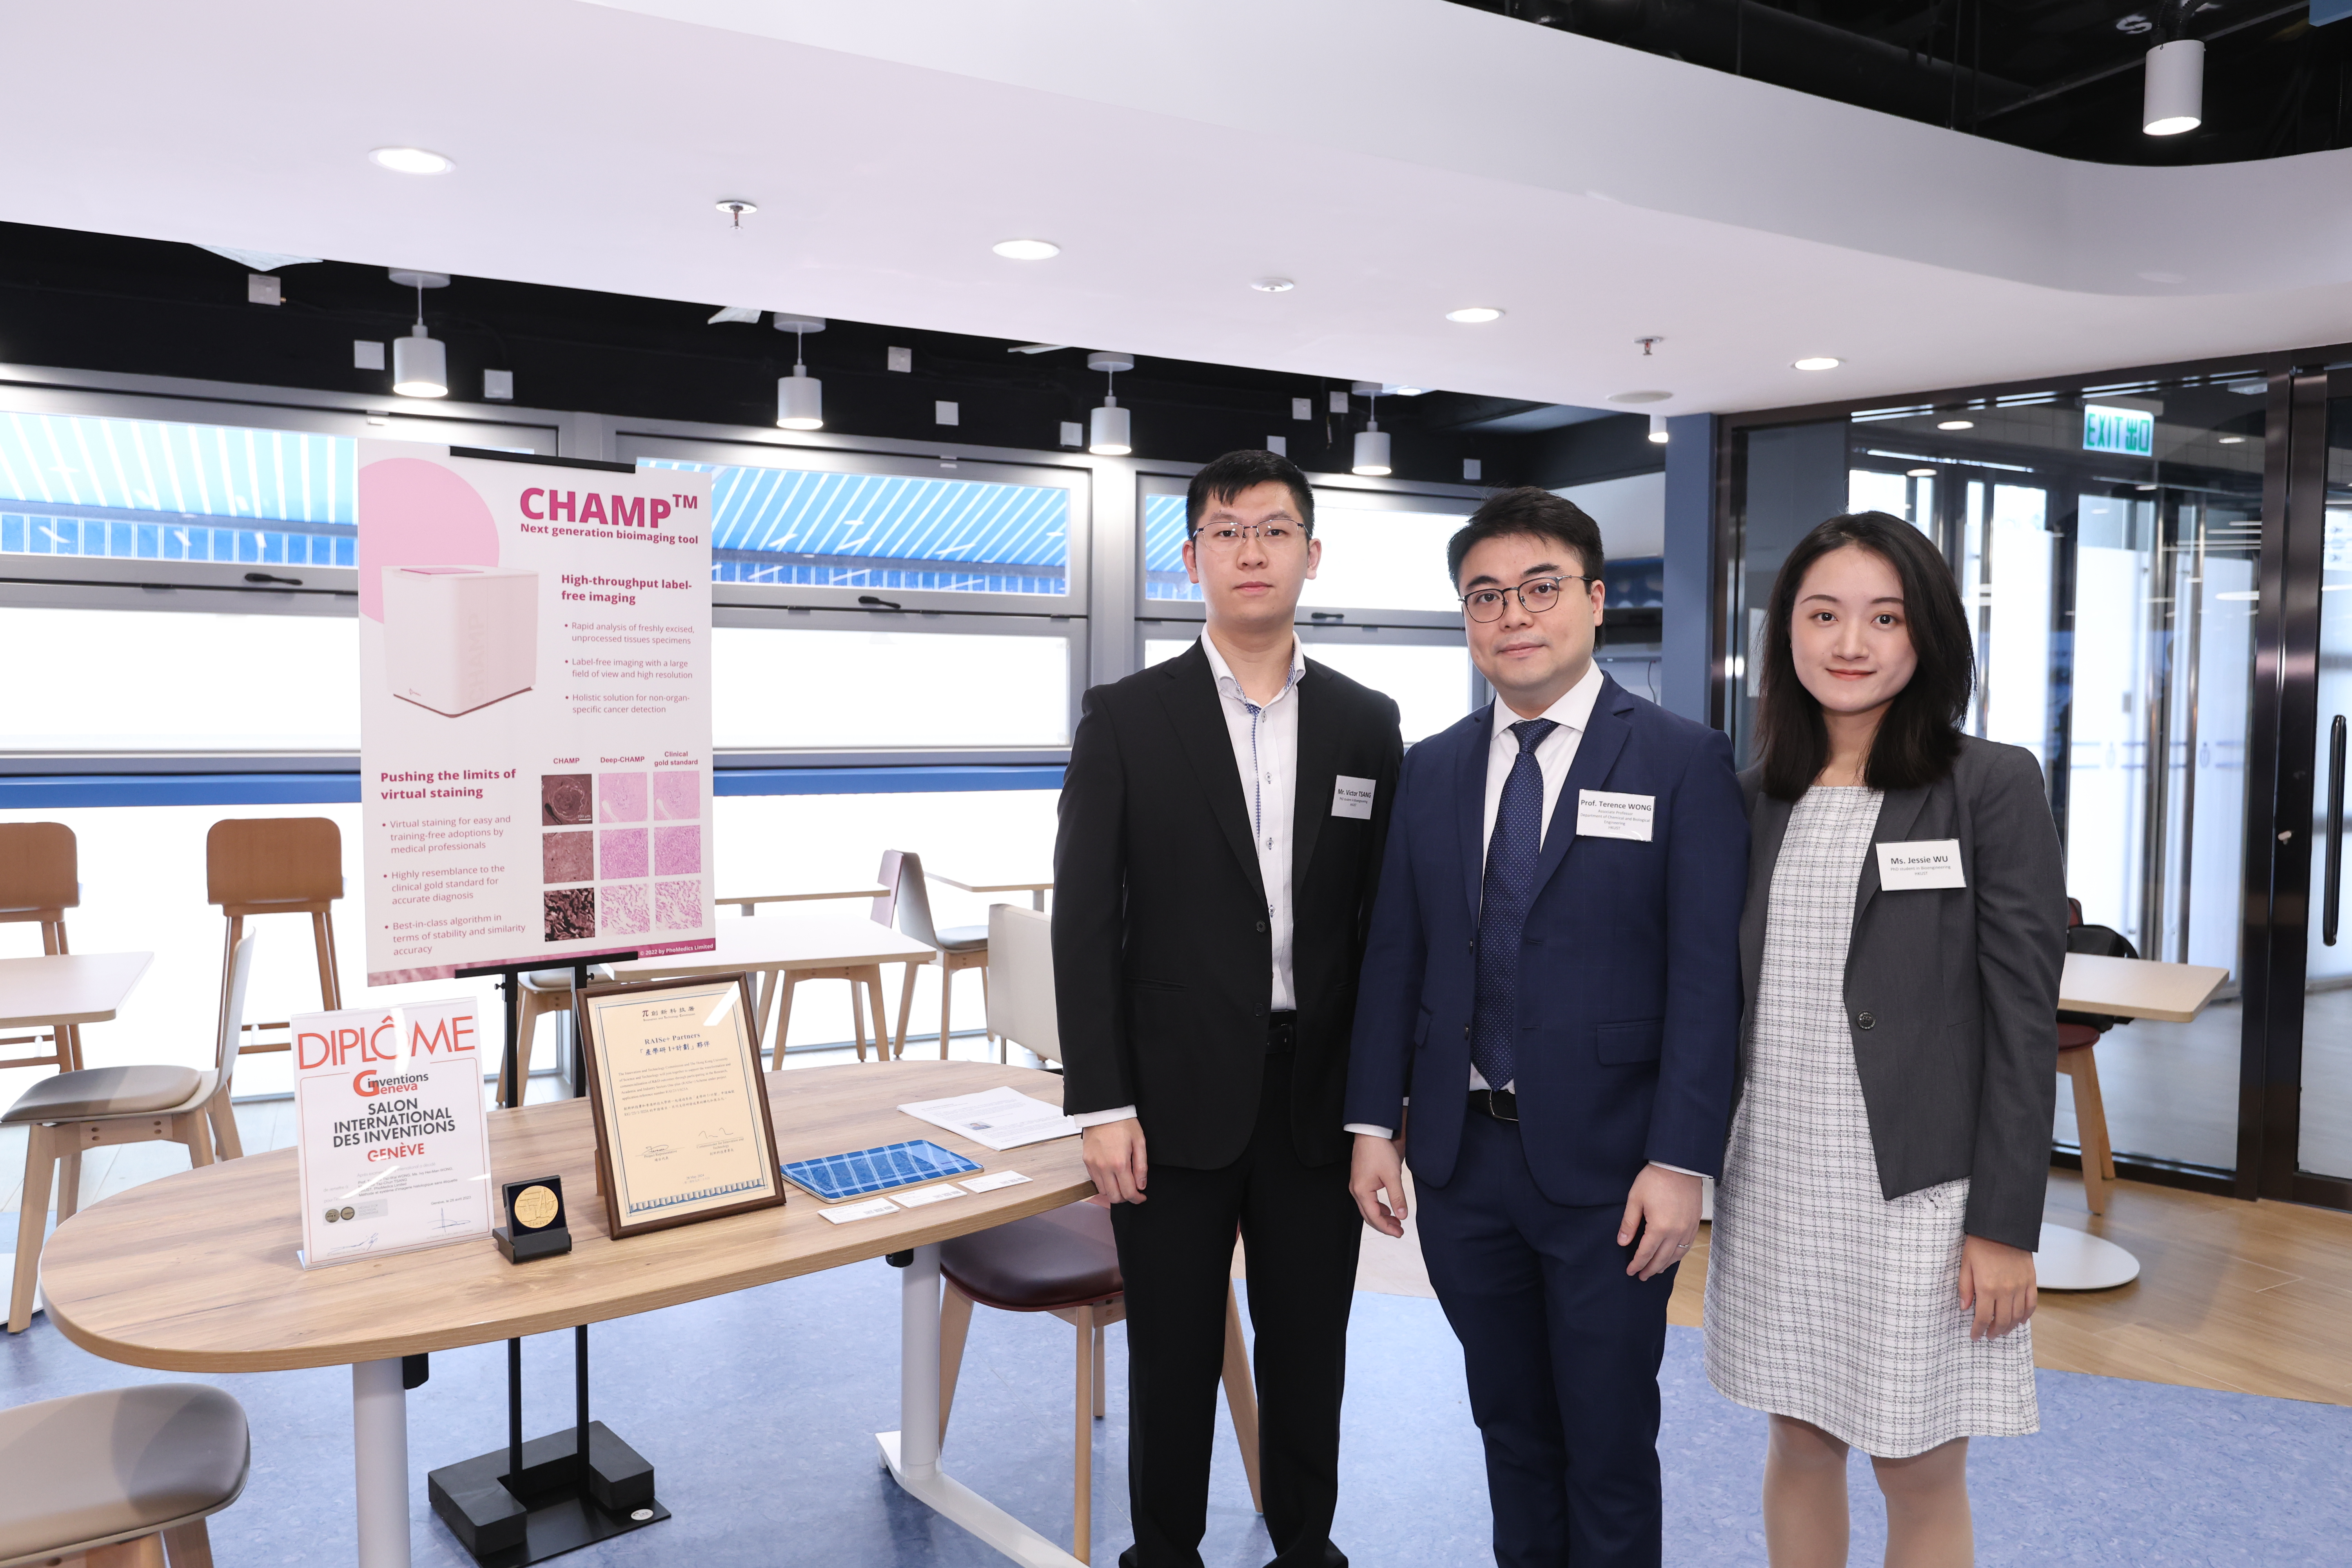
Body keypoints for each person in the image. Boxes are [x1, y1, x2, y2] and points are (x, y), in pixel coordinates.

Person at [1344, 487, 1746, 1567]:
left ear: (1596, 601)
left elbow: (1709, 980)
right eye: (1486, 597)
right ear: (1466, 618)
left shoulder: (1679, 760)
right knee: (1511, 1429)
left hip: (1616, 1173)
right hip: (1463, 1164)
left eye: (1540, 589)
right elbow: (1399, 958)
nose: (1513, 615)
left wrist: (1681, 1159)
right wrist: (1372, 1125)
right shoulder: (1430, 768)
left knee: (1609, 1441)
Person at [1054, 448, 1404, 1568]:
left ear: (1311, 551)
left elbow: (1383, 933)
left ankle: (1309, 1547)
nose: (1250, 551)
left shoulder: (1366, 722)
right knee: (1169, 1350)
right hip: (1169, 1097)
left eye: (1273, 529)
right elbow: (1084, 924)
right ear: (1194, 555)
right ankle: (1165, 1552)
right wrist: (1101, 1100)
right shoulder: (1125, 716)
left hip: (1315, 1095)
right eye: (1225, 530)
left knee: (1311, 1348)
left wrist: (1375, 1115)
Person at [1702, 511, 2064, 1568]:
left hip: (1923, 1195)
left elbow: (2021, 1019)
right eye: (1824, 614)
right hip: (1777, 1178)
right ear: (1789, 635)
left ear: (1926, 638)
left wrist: (2006, 1225)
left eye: (1883, 616)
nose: (1849, 642)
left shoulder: (1987, 787)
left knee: (1919, 1463)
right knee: (1800, 1439)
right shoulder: (1747, 801)